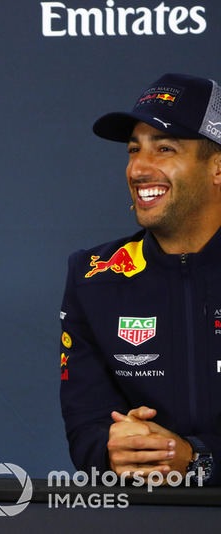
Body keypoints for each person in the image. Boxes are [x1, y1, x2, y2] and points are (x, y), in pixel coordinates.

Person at [60, 73, 221, 486]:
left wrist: (198, 459)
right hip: (147, 513)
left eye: (164, 148)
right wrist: (117, 448)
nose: (138, 168)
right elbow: (87, 428)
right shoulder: (94, 275)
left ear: (217, 167)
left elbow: (192, 460)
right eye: (134, 150)